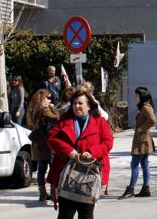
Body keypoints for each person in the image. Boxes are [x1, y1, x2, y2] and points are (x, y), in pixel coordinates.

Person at [47, 90, 114, 219]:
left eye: (80, 103)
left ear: (89, 106)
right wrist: (68, 150)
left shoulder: (99, 121)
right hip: (67, 174)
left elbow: (108, 142)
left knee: (86, 215)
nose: (76, 106)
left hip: (89, 175)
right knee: (65, 215)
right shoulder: (65, 119)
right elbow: (51, 138)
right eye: (74, 103)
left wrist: (92, 152)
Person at [119, 87, 156, 199]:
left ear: (142, 96)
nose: (135, 98)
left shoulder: (146, 107)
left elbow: (153, 120)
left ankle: (131, 189)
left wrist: (141, 129)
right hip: (143, 140)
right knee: (144, 164)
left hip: (142, 141)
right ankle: (146, 188)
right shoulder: (144, 107)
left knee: (134, 164)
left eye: (137, 96)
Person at [26, 89, 59, 202]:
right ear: (42, 99)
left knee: (41, 169)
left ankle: (42, 194)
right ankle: (54, 193)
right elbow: (56, 117)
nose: (49, 100)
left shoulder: (32, 110)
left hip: (37, 143)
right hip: (47, 143)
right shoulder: (45, 110)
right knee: (53, 168)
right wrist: (53, 107)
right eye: (48, 98)